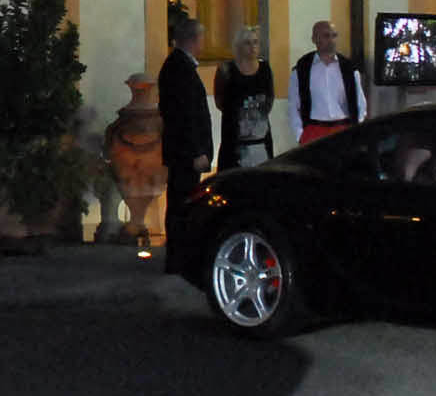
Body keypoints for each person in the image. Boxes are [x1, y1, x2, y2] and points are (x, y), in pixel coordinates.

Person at [157, 15, 213, 235]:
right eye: (202, 39)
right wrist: (197, 151)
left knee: (181, 201)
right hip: (185, 153)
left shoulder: (177, 66)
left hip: (181, 150)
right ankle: (178, 255)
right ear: (194, 39)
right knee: (183, 202)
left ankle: (178, 253)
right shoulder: (180, 69)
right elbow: (186, 115)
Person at [289, 19, 368, 145]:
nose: (331, 40)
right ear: (314, 39)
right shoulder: (302, 69)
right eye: (326, 36)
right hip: (313, 130)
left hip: (343, 130)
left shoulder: (349, 68)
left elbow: (361, 104)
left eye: (334, 35)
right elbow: (294, 106)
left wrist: (355, 131)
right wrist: (301, 135)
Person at [213, 24, 276, 169]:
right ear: (239, 46)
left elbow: (270, 97)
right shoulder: (226, 69)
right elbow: (219, 100)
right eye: (247, 43)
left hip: (260, 137)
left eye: (255, 42)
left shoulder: (264, 68)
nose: (252, 47)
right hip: (234, 139)